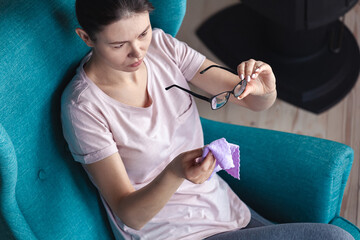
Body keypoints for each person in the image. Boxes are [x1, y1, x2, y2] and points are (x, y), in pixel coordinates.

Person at [60, 0, 354, 239]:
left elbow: (249, 98)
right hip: (168, 232)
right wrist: (175, 172)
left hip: (218, 205)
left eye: (142, 33)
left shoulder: (162, 47)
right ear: (86, 38)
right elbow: (130, 215)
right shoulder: (83, 108)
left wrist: (266, 89)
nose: (138, 52)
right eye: (118, 44)